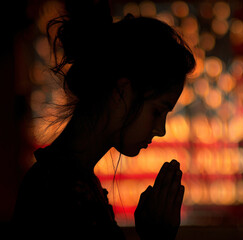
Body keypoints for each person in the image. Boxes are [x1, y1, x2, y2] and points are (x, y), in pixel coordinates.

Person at [12, 0, 195, 239]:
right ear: (122, 92)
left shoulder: (64, 180)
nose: (160, 130)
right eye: (158, 111)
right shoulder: (65, 194)